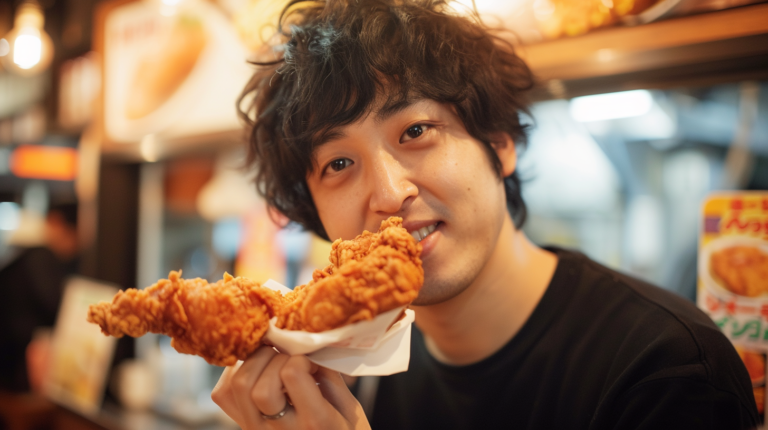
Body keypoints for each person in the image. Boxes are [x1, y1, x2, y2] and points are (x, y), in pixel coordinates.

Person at [211, 1, 759, 428]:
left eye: (416, 131)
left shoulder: (667, 370)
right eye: (339, 163)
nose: (388, 193)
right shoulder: (364, 365)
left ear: (498, 143)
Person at [0, 203, 80, 393]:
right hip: (18, 370)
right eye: (74, 236)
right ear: (56, 223)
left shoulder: (22, 255)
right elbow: (55, 305)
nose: (76, 245)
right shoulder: (41, 258)